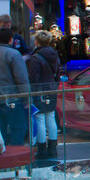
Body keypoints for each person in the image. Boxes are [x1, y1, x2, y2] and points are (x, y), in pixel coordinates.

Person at [0, 27, 30, 146]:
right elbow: (21, 78)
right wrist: (27, 98)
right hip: (12, 98)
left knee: (1, 128)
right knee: (18, 127)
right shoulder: (14, 54)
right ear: (11, 39)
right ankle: (15, 154)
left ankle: (3, 152)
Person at [26, 30, 61, 160]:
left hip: (39, 90)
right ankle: (53, 148)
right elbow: (57, 74)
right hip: (52, 89)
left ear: (36, 41)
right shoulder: (55, 55)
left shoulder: (35, 58)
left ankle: (41, 149)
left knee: (40, 118)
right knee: (51, 117)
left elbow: (33, 78)